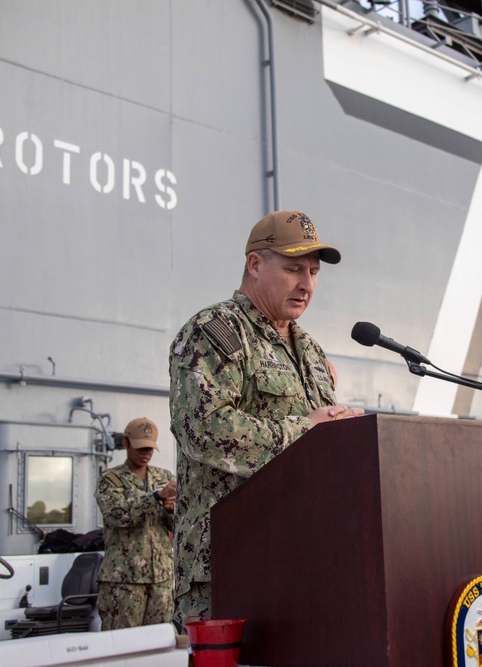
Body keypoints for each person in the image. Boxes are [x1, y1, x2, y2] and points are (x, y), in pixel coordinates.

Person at [169, 210, 364, 627]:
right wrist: (307, 429)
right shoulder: (215, 330)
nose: (307, 284)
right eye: (294, 268)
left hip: (301, 563)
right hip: (227, 566)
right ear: (255, 265)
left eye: (313, 272)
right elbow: (204, 431)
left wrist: (346, 434)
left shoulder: (309, 348)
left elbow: (318, 445)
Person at [95, 417, 176, 630]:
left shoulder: (164, 477)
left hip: (161, 578)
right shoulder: (110, 479)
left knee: (160, 642)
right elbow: (115, 514)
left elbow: (177, 525)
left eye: (150, 448)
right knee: (122, 646)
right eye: (140, 448)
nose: (145, 453)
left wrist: (171, 510)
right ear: (125, 443)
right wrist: (156, 497)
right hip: (124, 580)